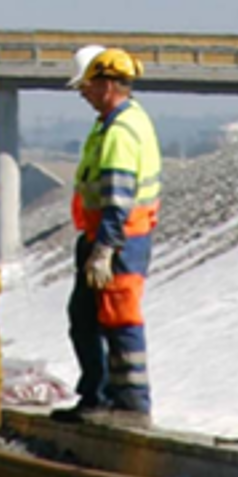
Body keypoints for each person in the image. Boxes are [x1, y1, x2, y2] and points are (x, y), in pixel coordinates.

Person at [52, 46, 162, 428]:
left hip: (120, 239)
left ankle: (130, 404)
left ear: (108, 84)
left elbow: (118, 196)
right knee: (86, 316)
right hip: (110, 236)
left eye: (89, 85)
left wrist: (104, 248)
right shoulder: (115, 123)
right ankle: (98, 397)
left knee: (119, 317)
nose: (84, 93)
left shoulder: (120, 131)